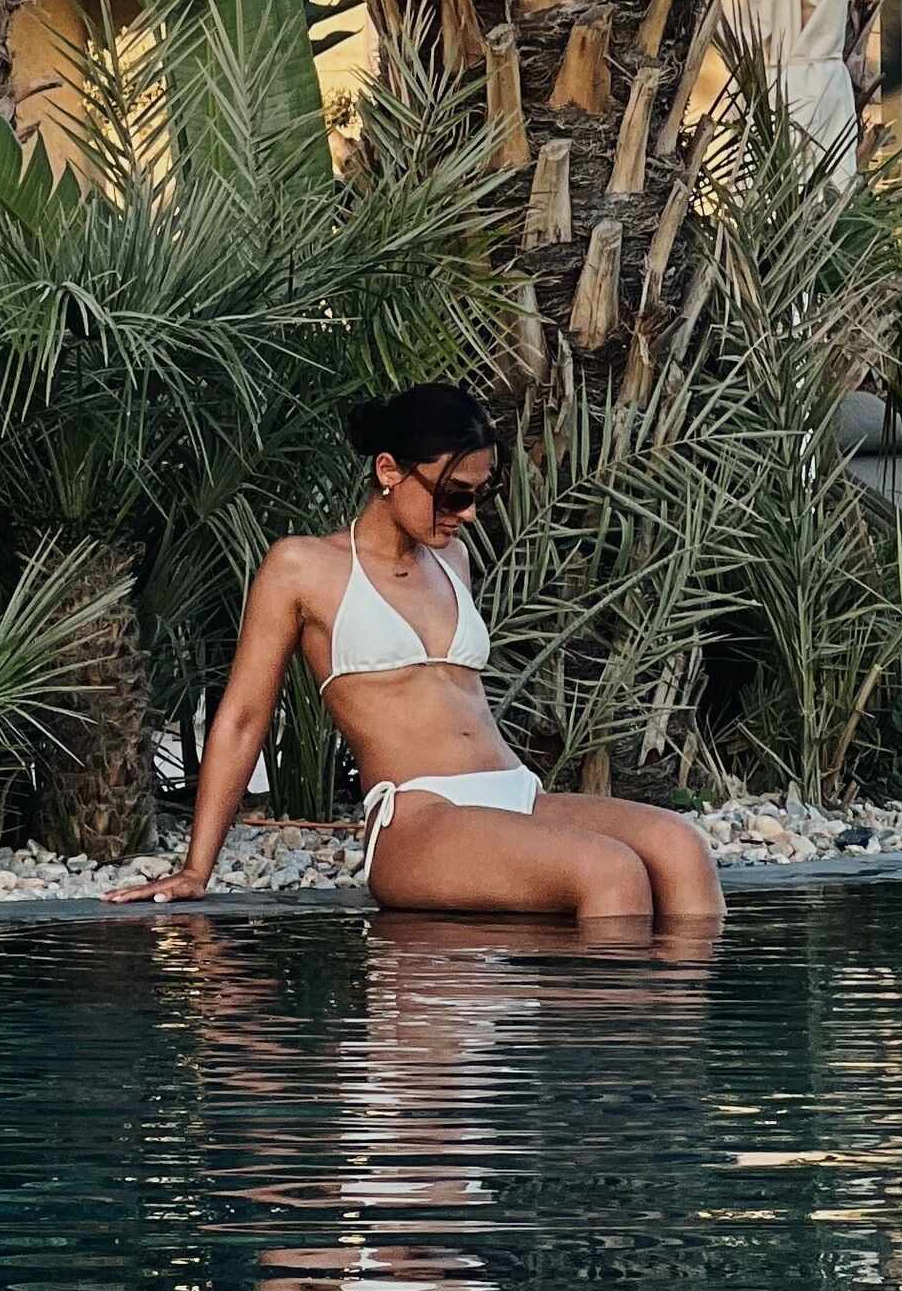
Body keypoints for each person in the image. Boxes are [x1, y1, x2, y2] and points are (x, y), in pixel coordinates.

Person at [117, 381, 724, 933]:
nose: (468, 516)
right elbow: (243, 717)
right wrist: (197, 868)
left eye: (480, 496)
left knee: (682, 848)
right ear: (389, 470)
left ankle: (671, 1025)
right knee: (608, 870)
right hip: (418, 814)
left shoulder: (452, 560)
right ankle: (615, 1011)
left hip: (517, 794)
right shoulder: (303, 567)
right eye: (454, 496)